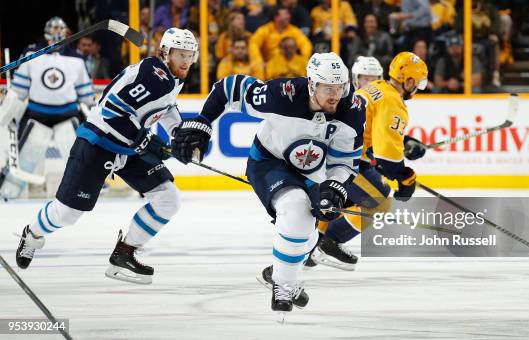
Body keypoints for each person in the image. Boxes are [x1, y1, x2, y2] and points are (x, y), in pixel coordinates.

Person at [171, 52, 365, 317]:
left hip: (313, 172)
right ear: (311, 84)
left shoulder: (352, 108)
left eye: (340, 87)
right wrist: (203, 122)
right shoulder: (283, 94)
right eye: (328, 88)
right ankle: (284, 285)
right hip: (269, 162)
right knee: (296, 209)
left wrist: (335, 187)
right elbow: (229, 88)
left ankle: (281, 272)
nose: (336, 94)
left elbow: (344, 162)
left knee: (308, 231)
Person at [14, 28, 199, 286]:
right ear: (165, 53)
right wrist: (146, 140)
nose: (186, 61)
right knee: (68, 214)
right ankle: (31, 234)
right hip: (98, 142)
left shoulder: (169, 77)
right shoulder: (153, 76)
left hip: (128, 146)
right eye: (181, 54)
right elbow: (112, 111)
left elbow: (166, 105)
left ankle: (124, 254)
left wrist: (177, 132)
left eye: (191, 55)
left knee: (168, 199)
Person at [308, 53, 428, 270]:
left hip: (321, 150)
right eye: (418, 82)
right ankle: (329, 243)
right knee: (379, 201)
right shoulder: (393, 101)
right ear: (409, 81)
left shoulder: (375, 88)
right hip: (344, 157)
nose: (418, 87)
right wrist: (405, 178)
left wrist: (404, 142)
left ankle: (312, 246)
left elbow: (369, 129)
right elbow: (387, 158)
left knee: (340, 201)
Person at [0, 17, 95, 199]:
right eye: (54, 31)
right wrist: (7, 113)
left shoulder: (76, 59)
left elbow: (87, 96)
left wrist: (96, 114)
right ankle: (8, 194)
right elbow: (18, 91)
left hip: (68, 115)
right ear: (46, 34)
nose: (57, 35)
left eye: (61, 30)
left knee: (76, 156)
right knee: (27, 157)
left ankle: (82, 194)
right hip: (37, 115)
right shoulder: (32, 55)